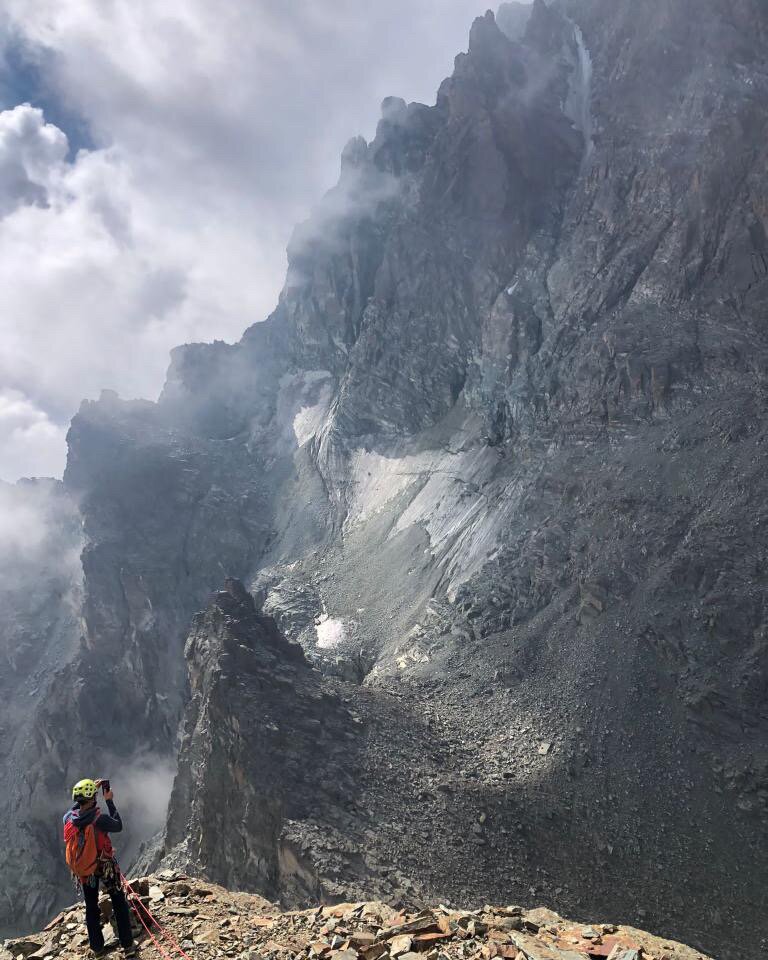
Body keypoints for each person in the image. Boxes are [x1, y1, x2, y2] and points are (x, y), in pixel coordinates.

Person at [63, 778, 137, 959]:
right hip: (105, 867)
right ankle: (127, 946)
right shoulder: (99, 820)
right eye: (94, 795)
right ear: (92, 798)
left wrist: (85, 795)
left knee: (91, 907)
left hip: (87, 872)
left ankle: (97, 948)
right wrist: (109, 800)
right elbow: (118, 824)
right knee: (119, 901)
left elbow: (74, 809)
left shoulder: (69, 820)